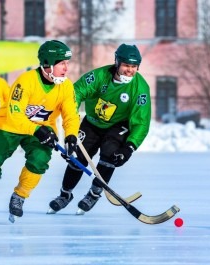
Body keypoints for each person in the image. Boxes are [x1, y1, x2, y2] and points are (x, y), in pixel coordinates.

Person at [0, 40, 80, 224]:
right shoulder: (26, 81)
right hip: (7, 126)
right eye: (62, 63)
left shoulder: (66, 87)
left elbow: (71, 116)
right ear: (47, 64)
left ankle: (19, 196)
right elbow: (15, 113)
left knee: (40, 160)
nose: (66, 68)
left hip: (41, 129)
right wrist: (37, 129)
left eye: (67, 63)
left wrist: (71, 136)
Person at [48, 43, 151, 215]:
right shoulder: (99, 76)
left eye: (134, 67)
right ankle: (65, 195)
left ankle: (94, 194)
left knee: (110, 155)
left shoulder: (140, 89)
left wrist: (129, 147)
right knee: (78, 159)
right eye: (126, 65)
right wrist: (71, 118)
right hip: (92, 122)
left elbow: (141, 122)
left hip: (119, 125)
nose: (130, 70)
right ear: (117, 62)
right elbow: (76, 93)